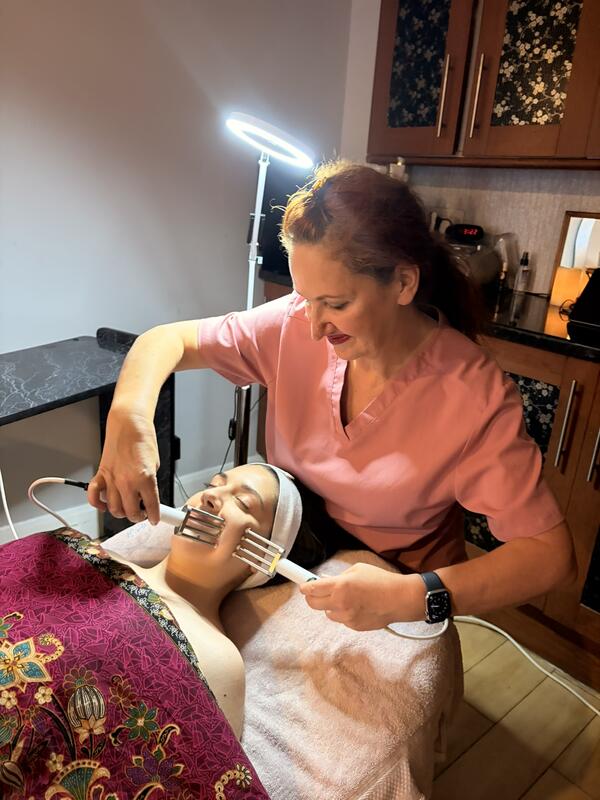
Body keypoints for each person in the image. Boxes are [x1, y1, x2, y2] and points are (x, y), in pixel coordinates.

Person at [88, 159, 575, 635]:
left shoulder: (471, 395)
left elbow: (549, 556)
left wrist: (412, 597)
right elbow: (167, 340)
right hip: (295, 547)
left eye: (337, 304)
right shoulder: (293, 321)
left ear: (403, 282)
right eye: (305, 297)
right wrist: (129, 419)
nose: (315, 326)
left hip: (392, 583)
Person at [0, 462, 300, 797]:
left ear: (261, 559)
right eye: (213, 483)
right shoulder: (81, 555)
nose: (211, 496)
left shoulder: (218, 655)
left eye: (243, 502)